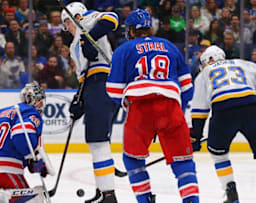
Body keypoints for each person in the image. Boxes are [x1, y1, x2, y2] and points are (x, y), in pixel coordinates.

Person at [106, 9, 199, 203]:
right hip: (171, 106)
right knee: (183, 161)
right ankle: (191, 200)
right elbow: (187, 88)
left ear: (131, 30)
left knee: (132, 159)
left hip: (139, 108)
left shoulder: (123, 49)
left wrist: (132, 106)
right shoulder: (170, 46)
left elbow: (113, 91)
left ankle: (145, 200)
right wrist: (176, 113)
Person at [61, 2, 120, 202]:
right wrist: (80, 99)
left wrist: (90, 37)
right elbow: (84, 76)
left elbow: (112, 19)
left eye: (66, 23)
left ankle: (108, 195)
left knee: (97, 142)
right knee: (97, 141)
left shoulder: (86, 20)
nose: (66, 28)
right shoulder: (72, 46)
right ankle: (103, 189)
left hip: (103, 83)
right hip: (93, 87)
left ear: (73, 17)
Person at [190, 45, 256, 203]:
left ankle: (230, 190)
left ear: (207, 60)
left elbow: (199, 110)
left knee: (218, 153)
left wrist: (196, 138)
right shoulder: (243, 63)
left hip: (223, 110)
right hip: (251, 107)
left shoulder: (204, 73)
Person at [0, 81, 48, 202]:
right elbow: (20, 133)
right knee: (29, 200)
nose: (42, 104)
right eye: (40, 101)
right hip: (2, 173)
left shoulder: (1, 112)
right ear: (35, 101)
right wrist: (31, 157)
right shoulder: (32, 113)